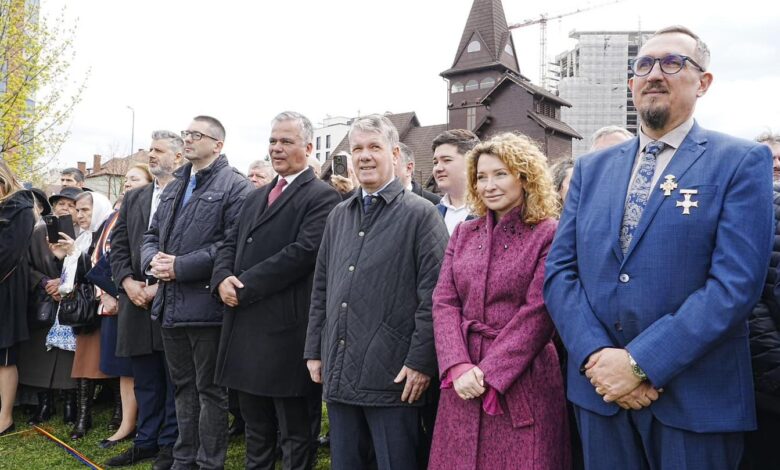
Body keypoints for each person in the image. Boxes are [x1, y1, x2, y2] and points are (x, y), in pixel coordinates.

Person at [544, 26, 774, 468]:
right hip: (601, 398)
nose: (653, 74)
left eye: (672, 63)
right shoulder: (590, 170)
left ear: (703, 82)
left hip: (693, 400)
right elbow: (561, 273)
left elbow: (735, 286)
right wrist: (597, 357)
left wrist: (641, 364)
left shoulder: (739, 162)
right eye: (643, 65)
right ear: (631, 83)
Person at [304, 114, 449, 470]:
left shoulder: (422, 215)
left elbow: (436, 296)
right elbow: (322, 286)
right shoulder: (339, 215)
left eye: (374, 147)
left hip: (394, 378)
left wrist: (420, 362)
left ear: (395, 154)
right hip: (340, 369)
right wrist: (314, 350)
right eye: (357, 149)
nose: (364, 156)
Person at [429, 132, 569, 469]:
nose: (488, 185)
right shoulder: (465, 232)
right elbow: (444, 301)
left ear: (524, 176)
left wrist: (489, 373)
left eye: (500, 174)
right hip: (462, 380)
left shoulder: (548, 233)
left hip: (523, 379)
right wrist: (458, 365)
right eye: (481, 177)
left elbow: (538, 312)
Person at [213, 111, 341, 470]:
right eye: (273, 141)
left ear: (308, 147)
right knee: (256, 430)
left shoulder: (322, 197)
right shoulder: (256, 197)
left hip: (287, 334)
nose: (277, 148)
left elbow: (301, 254)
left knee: (295, 434)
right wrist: (221, 277)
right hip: (245, 330)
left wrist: (245, 286)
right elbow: (229, 242)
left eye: (286, 141)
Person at [142, 115, 252, 470]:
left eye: (196, 135)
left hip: (207, 306)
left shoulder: (235, 186)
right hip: (171, 307)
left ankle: (208, 463)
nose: (187, 139)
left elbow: (230, 244)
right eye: (186, 133)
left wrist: (179, 267)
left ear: (217, 145)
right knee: (183, 389)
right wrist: (152, 262)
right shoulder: (175, 185)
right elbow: (151, 235)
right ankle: (183, 459)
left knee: (210, 392)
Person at [108, 130, 182, 469]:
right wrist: (127, 282)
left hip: (173, 299)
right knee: (146, 378)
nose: (151, 155)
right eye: (150, 150)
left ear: (178, 158)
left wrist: (158, 287)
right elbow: (119, 245)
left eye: (159, 150)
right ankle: (146, 440)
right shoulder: (136, 198)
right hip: (135, 301)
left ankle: (170, 444)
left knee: (173, 378)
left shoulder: (189, 194)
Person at [50, 190, 115, 441]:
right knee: (84, 365)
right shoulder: (84, 236)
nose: (80, 215)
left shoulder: (105, 234)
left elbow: (99, 269)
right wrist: (62, 257)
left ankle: (117, 416)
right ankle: (83, 416)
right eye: (78, 210)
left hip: (101, 308)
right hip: (83, 311)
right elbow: (72, 275)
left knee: (106, 366)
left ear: (97, 209)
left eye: (85, 210)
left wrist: (76, 252)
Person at [18, 187, 82, 427]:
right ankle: (43, 402)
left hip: (72, 301)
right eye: (60, 203)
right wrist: (45, 283)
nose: (65, 208)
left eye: (71, 204)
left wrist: (65, 282)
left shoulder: (84, 235)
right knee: (38, 352)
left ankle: (69, 402)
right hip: (42, 301)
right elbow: (24, 264)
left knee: (68, 355)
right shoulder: (38, 232)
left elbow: (87, 264)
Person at [743, 131, 780, 470]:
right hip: (767, 388)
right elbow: (749, 298)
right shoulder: (751, 209)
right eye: (769, 158)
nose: (776, 164)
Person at [0, 161, 36, 436]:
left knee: (5, 356)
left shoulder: (20, 208)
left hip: (7, 288)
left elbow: (9, 253)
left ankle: (5, 417)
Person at [432, 129, 480, 234]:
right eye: (435, 162)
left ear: (471, 162)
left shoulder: (492, 212)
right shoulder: (430, 214)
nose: (438, 168)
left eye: (447, 160)